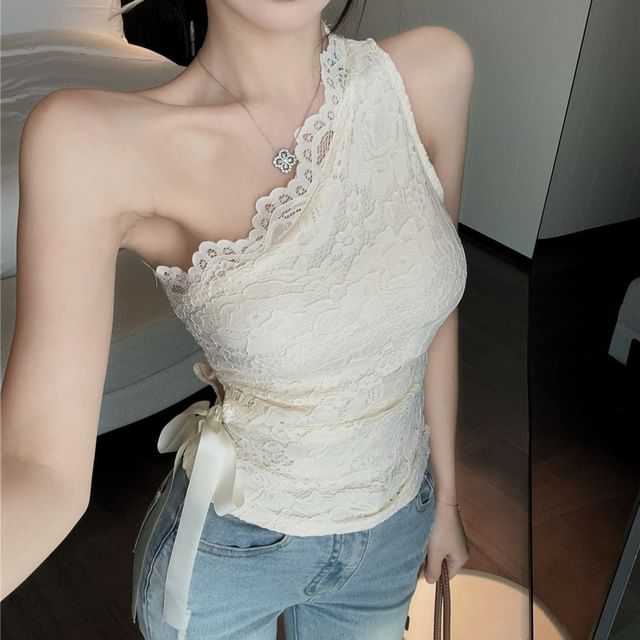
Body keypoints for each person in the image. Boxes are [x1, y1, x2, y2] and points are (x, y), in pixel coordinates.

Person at [1, 1, 474, 638]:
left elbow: (434, 317)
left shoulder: (432, 72)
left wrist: (446, 500)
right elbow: (38, 466)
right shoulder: (92, 144)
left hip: (395, 532)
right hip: (233, 554)